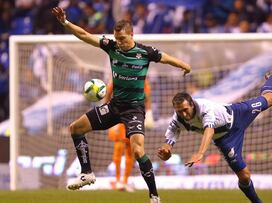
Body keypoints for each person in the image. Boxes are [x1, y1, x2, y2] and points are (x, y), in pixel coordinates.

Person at [52, 6, 191, 203]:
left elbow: (166, 58)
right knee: (75, 128)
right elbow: (85, 35)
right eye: (117, 39)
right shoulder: (111, 46)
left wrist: (183, 65)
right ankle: (87, 173)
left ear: (132, 35)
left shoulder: (144, 52)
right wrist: (65, 23)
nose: (120, 43)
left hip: (134, 109)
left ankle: (154, 195)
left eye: (123, 39)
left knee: (137, 151)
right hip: (114, 106)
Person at [158, 63, 272, 203]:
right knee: (244, 176)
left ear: (192, 104)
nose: (183, 114)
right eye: (179, 111)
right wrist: (167, 150)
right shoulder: (178, 119)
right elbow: (171, 137)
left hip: (238, 114)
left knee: (271, 99)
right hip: (225, 140)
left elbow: (209, 130)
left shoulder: (204, 108)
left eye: (185, 109)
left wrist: (200, 153)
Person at [105, 79, 153, 192]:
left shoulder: (143, 79)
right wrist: (106, 110)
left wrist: (149, 113)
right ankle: (117, 180)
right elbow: (108, 92)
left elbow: (147, 97)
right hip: (118, 115)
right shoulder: (118, 74)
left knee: (131, 150)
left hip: (134, 116)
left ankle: (124, 182)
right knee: (119, 146)